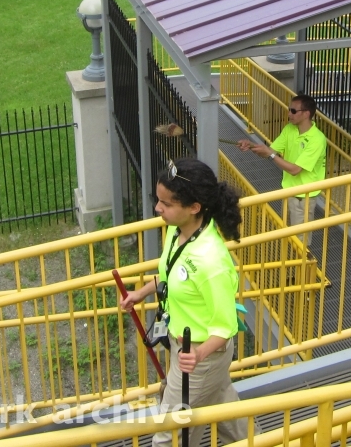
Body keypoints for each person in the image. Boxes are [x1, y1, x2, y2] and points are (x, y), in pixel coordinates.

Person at [119, 158, 248, 447]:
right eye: (158, 200)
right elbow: (170, 276)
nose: (158, 208)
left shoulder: (211, 262)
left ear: (194, 208)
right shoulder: (178, 232)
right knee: (223, 409)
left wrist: (199, 356)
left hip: (200, 358)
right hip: (188, 349)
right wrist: (140, 293)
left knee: (169, 435)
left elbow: (226, 326)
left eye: (166, 203)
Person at [238, 94, 326, 231]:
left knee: (300, 239)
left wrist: (270, 154)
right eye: (289, 109)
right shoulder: (289, 129)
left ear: (306, 114)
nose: (289, 114)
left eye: (293, 111)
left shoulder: (317, 139)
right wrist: (249, 145)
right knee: (288, 234)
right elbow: (270, 150)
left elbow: (295, 170)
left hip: (304, 196)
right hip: (288, 191)